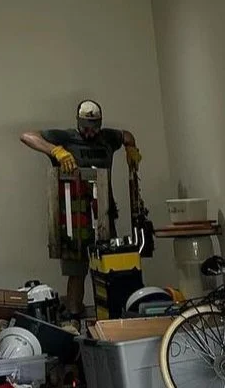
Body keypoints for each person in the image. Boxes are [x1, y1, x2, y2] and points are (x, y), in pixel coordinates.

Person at [21, 100, 141, 318]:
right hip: (74, 219)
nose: (89, 132)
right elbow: (27, 136)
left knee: (108, 270)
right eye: (85, 127)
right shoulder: (65, 138)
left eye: (94, 127)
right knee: (77, 273)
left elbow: (127, 135)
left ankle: (110, 318)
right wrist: (55, 150)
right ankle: (74, 314)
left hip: (103, 215)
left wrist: (131, 149)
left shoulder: (108, 138)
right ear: (78, 122)